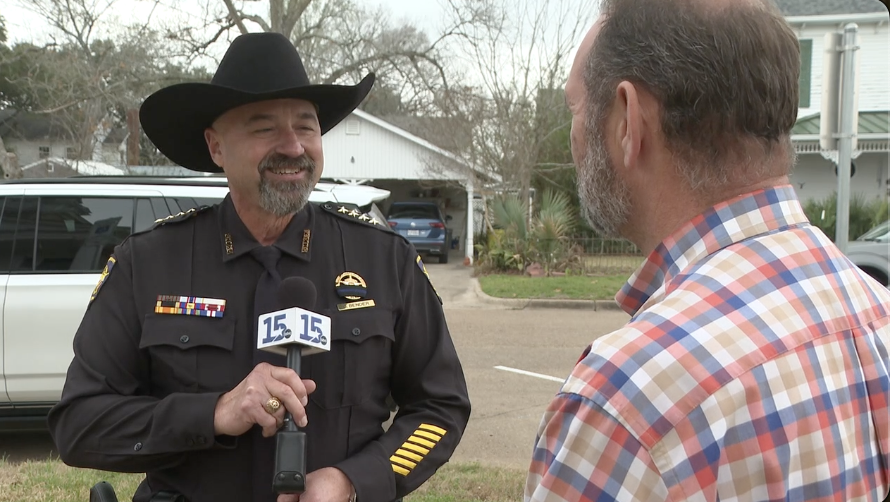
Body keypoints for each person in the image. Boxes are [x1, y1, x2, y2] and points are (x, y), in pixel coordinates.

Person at [48, 32, 471, 502]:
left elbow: (440, 406)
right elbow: (79, 425)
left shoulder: (383, 258)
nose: (293, 146)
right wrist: (215, 412)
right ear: (216, 147)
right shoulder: (148, 262)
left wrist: (353, 481)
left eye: (306, 126)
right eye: (264, 127)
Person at [525, 0, 890, 501]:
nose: (573, 135)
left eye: (577, 107)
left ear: (629, 121)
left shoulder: (628, 404)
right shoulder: (875, 313)